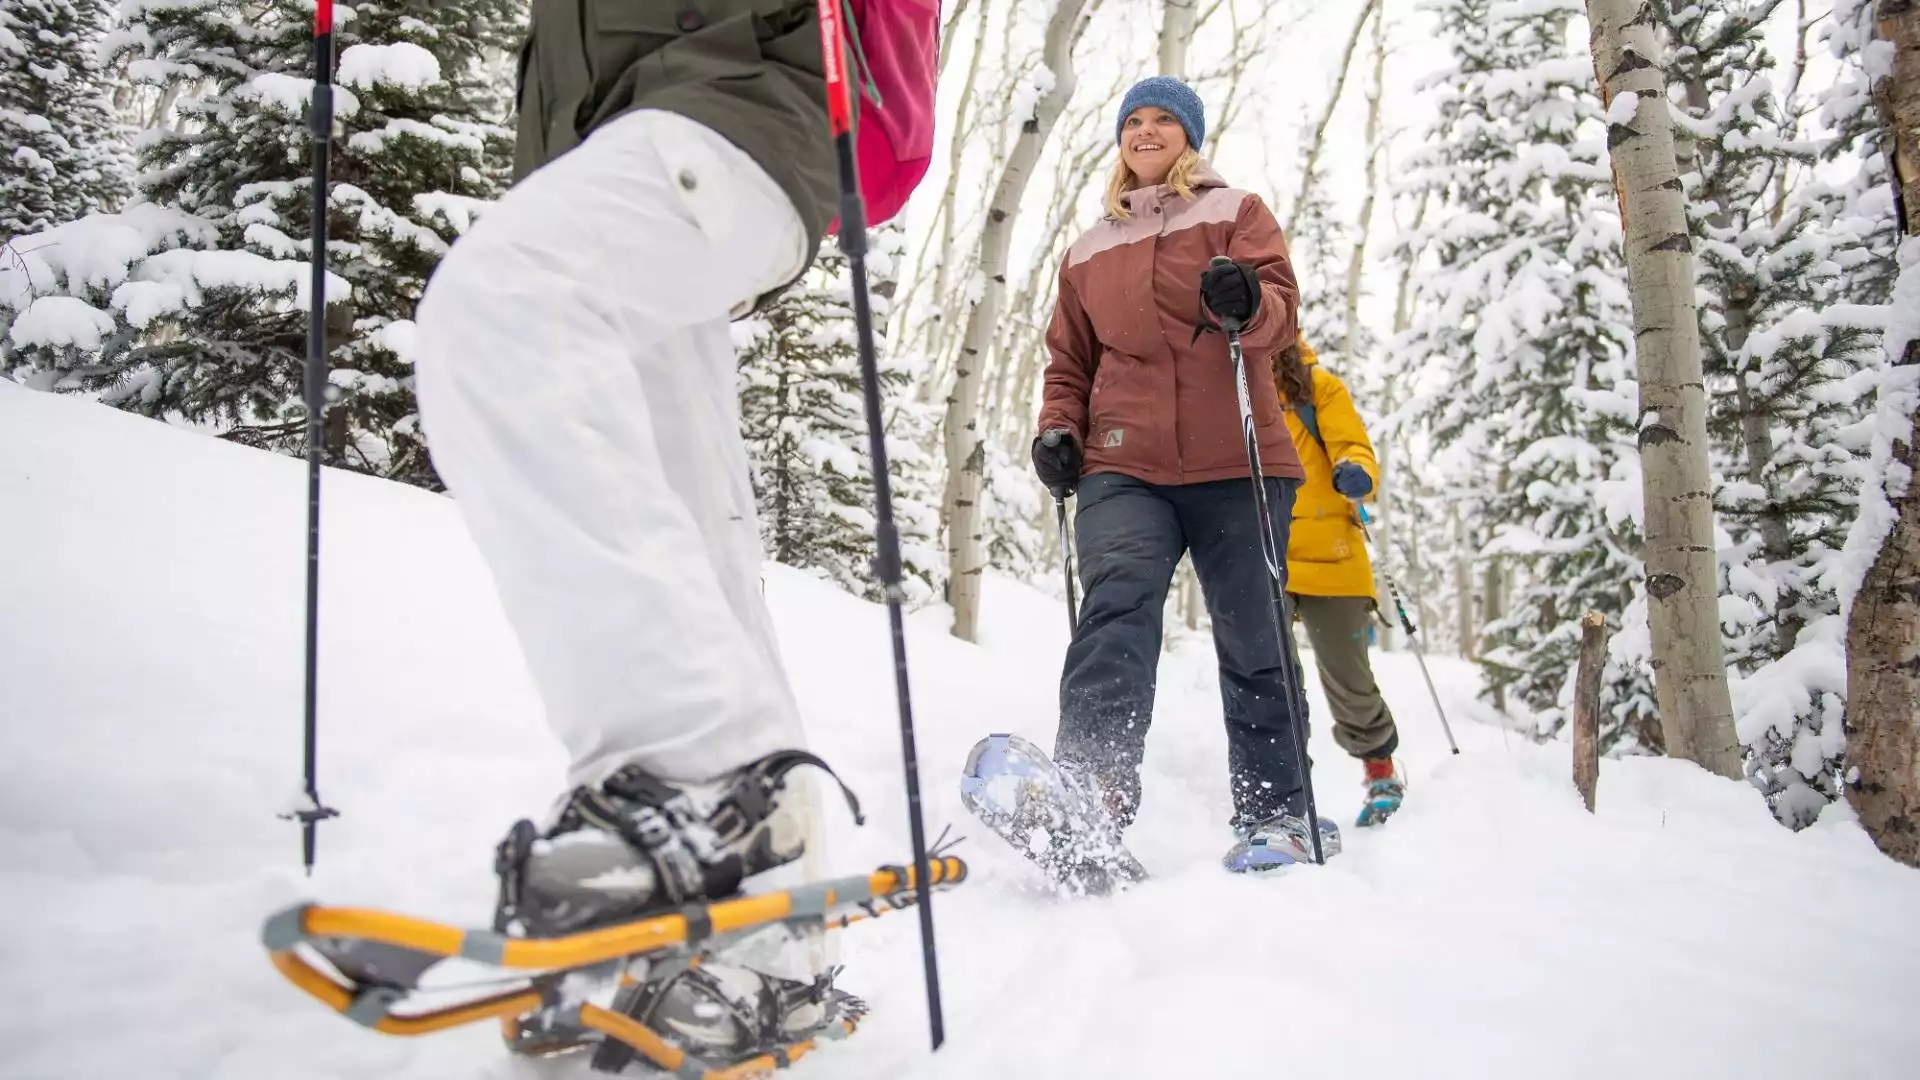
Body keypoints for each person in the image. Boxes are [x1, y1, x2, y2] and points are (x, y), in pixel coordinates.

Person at [407, 2, 931, 1062]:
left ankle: (708, 795)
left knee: (509, 307)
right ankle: (765, 956)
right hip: (608, 128)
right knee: (697, 541)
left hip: (735, 97)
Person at [1031, 76, 1339, 873]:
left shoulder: (1235, 213)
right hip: (1123, 462)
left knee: (1252, 632)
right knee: (1116, 614)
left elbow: (1280, 313)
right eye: (1133, 119)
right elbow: (1069, 359)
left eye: (1164, 119)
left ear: (1189, 138)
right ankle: (1089, 795)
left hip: (1237, 460)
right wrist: (1059, 430)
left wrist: (1249, 300)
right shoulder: (1088, 249)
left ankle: (1282, 814)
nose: (1146, 130)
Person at [1273, 337, 1406, 827]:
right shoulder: (1229, 391)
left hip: (1334, 552)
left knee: (1348, 679)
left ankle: (1381, 772)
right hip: (1265, 554)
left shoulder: (1317, 388)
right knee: (1269, 676)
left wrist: (1356, 471)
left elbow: (1353, 445)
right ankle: (1281, 788)